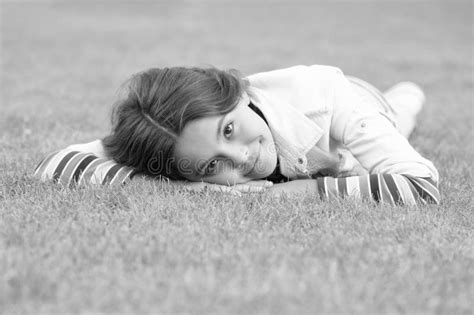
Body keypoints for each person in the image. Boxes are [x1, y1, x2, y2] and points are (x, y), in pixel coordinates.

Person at [34, 65, 440, 205]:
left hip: (360, 101)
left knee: (401, 115)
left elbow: (419, 187)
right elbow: (56, 165)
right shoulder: (165, 134)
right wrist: (179, 190)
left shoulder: (325, 97)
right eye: (211, 165)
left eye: (228, 129)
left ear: (238, 94)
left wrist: (291, 194)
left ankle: (408, 94)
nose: (241, 158)